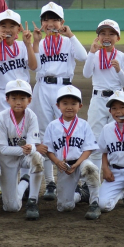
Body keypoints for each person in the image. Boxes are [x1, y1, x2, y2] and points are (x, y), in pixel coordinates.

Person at [29, 2, 88, 201]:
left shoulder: (68, 42)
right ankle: (50, 182)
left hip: (64, 90)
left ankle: (74, 180)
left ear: (62, 22)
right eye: (46, 19)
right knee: (46, 134)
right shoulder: (41, 42)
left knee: (68, 133)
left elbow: (83, 56)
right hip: (43, 88)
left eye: (54, 19)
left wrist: (70, 35)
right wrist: (35, 43)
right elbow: (35, 67)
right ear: (42, 23)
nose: (50, 23)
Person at [43, 86, 101, 220]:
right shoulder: (52, 126)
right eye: (65, 103)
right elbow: (49, 150)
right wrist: (57, 162)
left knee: (91, 168)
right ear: (58, 106)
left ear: (80, 106)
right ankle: (81, 195)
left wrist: (78, 164)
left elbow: (88, 149)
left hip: (80, 162)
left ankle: (94, 203)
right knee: (65, 207)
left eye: (73, 104)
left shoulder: (83, 124)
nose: (69, 107)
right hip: (63, 166)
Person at [0, 79, 45, 220]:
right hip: (7, 159)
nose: (18, 102)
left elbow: (33, 145)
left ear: (30, 100)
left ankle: (33, 200)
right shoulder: (0, 118)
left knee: (37, 158)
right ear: (7, 99)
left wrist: (32, 148)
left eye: (23, 98)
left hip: (26, 156)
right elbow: (2, 150)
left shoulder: (32, 116)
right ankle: (25, 181)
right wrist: (26, 149)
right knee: (11, 208)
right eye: (14, 98)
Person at [82, 20, 124, 172]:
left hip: (116, 100)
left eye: (111, 34)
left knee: (117, 138)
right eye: (103, 33)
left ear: (118, 38)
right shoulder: (95, 55)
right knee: (95, 138)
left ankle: (118, 178)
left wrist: (119, 70)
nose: (106, 37)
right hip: (98, 98)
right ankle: (94, 179)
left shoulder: (122, 57)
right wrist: (91, 52)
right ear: (98, 36)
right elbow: (86, 73)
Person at [0, 9, 37, 113]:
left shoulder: (23, 46)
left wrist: (28, 45)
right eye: (3, 26)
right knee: (4, 126)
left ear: (18, 30)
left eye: (12, 26)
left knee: (23, 125)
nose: (7, 30)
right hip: (3, 95)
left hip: (23, 93)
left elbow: (33, 66)